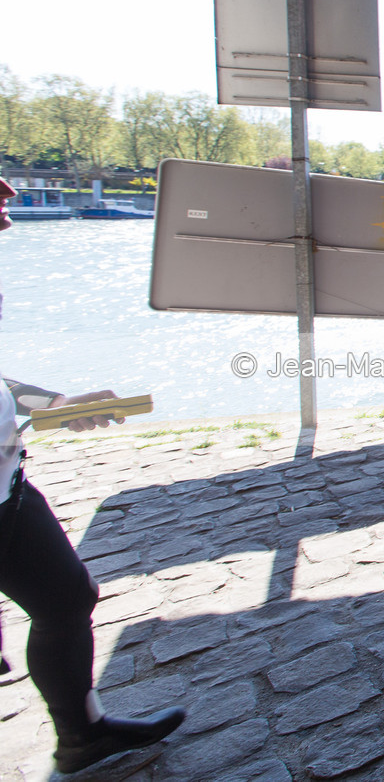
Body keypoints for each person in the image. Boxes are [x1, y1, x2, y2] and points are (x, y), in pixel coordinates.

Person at [0, 177, 186, 773]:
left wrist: (53, 405)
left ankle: (82, 735)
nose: (7, 226)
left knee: (66, 596)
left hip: (7, 491)